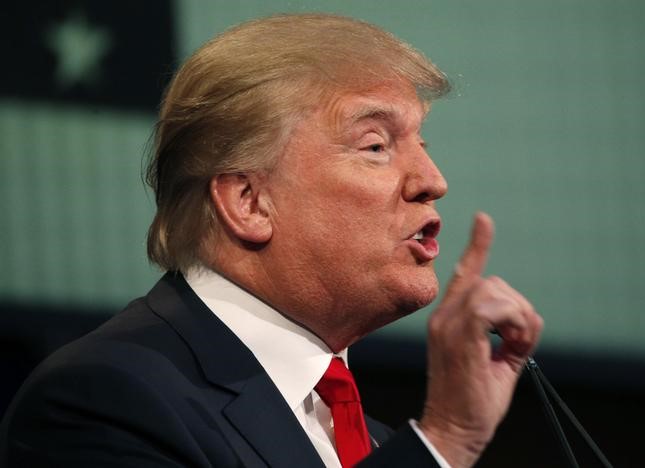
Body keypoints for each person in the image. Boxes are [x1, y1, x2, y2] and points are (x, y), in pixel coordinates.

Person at [0, 13, 542, 468]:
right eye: (376, 146)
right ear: (249, 202)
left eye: (421, 143)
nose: (433, 180)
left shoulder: (374, 442)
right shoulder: (108, 397)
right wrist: (444, 440)